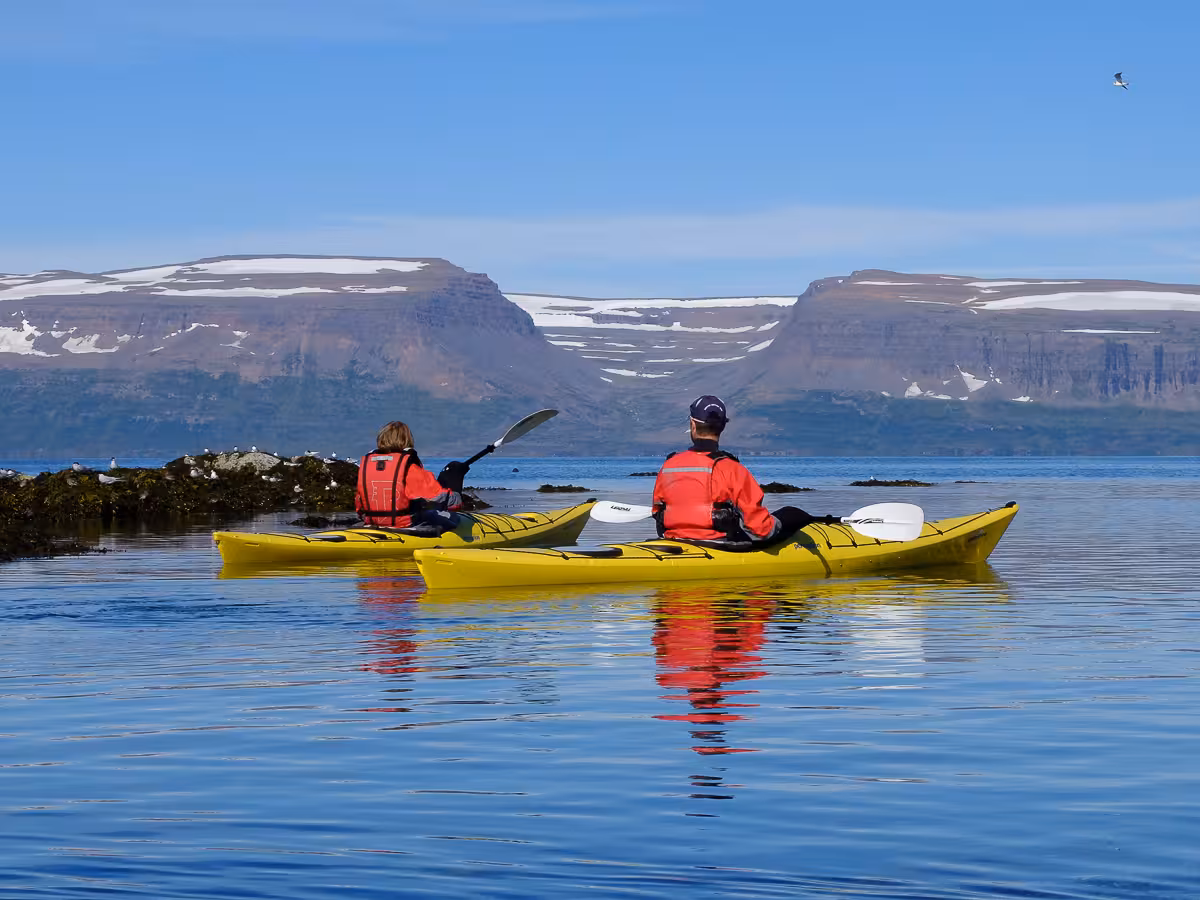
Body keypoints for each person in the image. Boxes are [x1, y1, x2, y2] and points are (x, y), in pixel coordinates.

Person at [651, 395, 838, 545]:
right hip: (719, 545)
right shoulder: (732, 468)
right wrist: (789, 521)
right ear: (723, 426)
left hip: (675, 541)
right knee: (792, 512)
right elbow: (761, 530)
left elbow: (657, 512)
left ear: (692, 424)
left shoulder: (668, 466)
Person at [355, 421, 469, 531]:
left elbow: (359, 506)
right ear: (407, 440)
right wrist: (456, 496)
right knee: (451, 516)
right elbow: (444, 499)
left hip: (372, 522)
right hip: (404, 524)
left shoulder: (368, 467)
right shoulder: (408, 467)